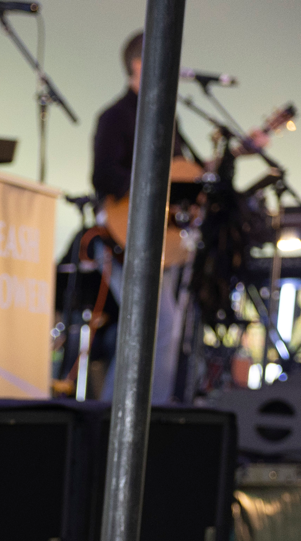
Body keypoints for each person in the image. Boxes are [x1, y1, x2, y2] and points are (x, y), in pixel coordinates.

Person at [90, 29, 204, 402]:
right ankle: (114, 415)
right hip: (123, 238)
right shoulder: (115, 116)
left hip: (162, 241)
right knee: (156, 324)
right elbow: (103, 174)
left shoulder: (167, 119)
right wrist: (152, 180)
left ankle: (155, 413)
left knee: (166, 327)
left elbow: (184, 173)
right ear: (140, 65)